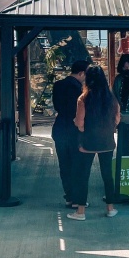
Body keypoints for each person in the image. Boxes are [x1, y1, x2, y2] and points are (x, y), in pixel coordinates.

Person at [67, 64, 122, 220]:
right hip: (107, 142)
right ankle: (110, 208)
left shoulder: (83, 99)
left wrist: (83, 128)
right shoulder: (111, 98)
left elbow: (79, 123)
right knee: (107, 175)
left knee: (83, 175)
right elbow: (117, 119)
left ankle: (81, 212)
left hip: (88, 143)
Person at [51, 59, 88, 210]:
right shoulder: (80, 90)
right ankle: (77, 199)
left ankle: (69, 197)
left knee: (64, 165)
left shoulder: (58, 85)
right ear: (81, 73)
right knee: (77, 165)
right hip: (75, 129)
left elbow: (57, 106)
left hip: (60, 127)